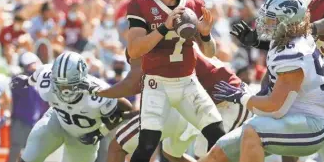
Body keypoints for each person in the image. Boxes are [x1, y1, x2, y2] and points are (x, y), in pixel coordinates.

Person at [200, 0, 324, 162]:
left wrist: (243, 97)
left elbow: (275, 107)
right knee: (219, 151)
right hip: (291, 119)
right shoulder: (296, 37)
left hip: (312, 126)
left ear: (287, 22)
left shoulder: (294, 54)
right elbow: (279, 44)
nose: (264, 23)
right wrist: (257, 42)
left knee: (253, 130)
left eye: (271, 19)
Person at [125, 0, 224, 162]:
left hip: (188, 82)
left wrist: (205, 36)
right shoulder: (141, 5)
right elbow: (134, 50)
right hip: (157, 84)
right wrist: (164, 27)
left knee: (219, 136)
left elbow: (210, 53)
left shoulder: (193, 3)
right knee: (147, 145)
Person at [82, 47, 253, 162]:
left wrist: (97, 93)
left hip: (229, 101)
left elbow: (136, 88)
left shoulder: (160, 58)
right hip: (206, 104)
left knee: (211, 157)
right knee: (171, 152)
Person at [10, 51, 132, 162]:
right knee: (30, 156)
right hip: (56, 121)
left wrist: (100, 132)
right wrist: (26, 81)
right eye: (60, 85)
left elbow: (126, 108)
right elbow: (37, 76)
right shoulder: (46, 77)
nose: (64, 91)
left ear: (81, 80)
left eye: (69, 86)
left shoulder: (98, 93)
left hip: (83, 136)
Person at [7, 52, 47, 162]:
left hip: (36, 122)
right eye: (30, 64)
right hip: (20, 120)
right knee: (16, 148)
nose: (34, 66)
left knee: (32, 151)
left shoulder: (41, 80)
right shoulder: (19, 79)